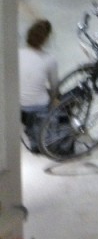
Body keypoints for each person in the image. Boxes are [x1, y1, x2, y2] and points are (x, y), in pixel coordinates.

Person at [19, 19, 58, 151]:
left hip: (18, 107)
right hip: (39, 107)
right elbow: (54, 88)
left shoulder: (17, 54)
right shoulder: (49, 59)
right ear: (45, 39)